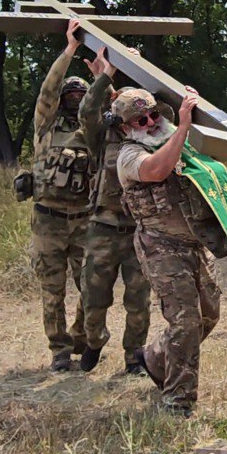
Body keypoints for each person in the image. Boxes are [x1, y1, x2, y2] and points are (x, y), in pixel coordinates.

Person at [112, 86, 221, 416]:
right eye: (141, 120)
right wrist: (184, 127)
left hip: (194, 244)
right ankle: (178, 401)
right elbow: (157, 169)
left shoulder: (173, 139)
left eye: (154, 115)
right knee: (185, 321)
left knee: (208, 314)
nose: (151, 122)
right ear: (126, 127)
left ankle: (156, 358)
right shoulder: (129, 156)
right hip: (160, 247)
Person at [76, 47, 152, 376]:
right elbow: (87, 111)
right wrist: (106, 75)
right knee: (94, 298)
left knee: (139, 302)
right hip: (102, 230)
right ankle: (94, 341)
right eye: (134, 118)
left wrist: (134, 67)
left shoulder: (152, 138)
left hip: (138, 231)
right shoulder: (101, 137)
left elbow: (148, 103)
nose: (142, 122)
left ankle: (135, 357)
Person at [30, 19, 93, 373]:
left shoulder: (93, 130)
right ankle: (58, 349)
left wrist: (107, 72)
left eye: (79, 95)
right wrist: (70, 50)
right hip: (48, 219)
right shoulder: (46, 125)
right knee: (52, 291)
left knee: (90, 288)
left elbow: (106, 100)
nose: (72, 98)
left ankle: (81, 338)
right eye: (68, 95)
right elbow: (48, 89)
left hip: (83, 220)